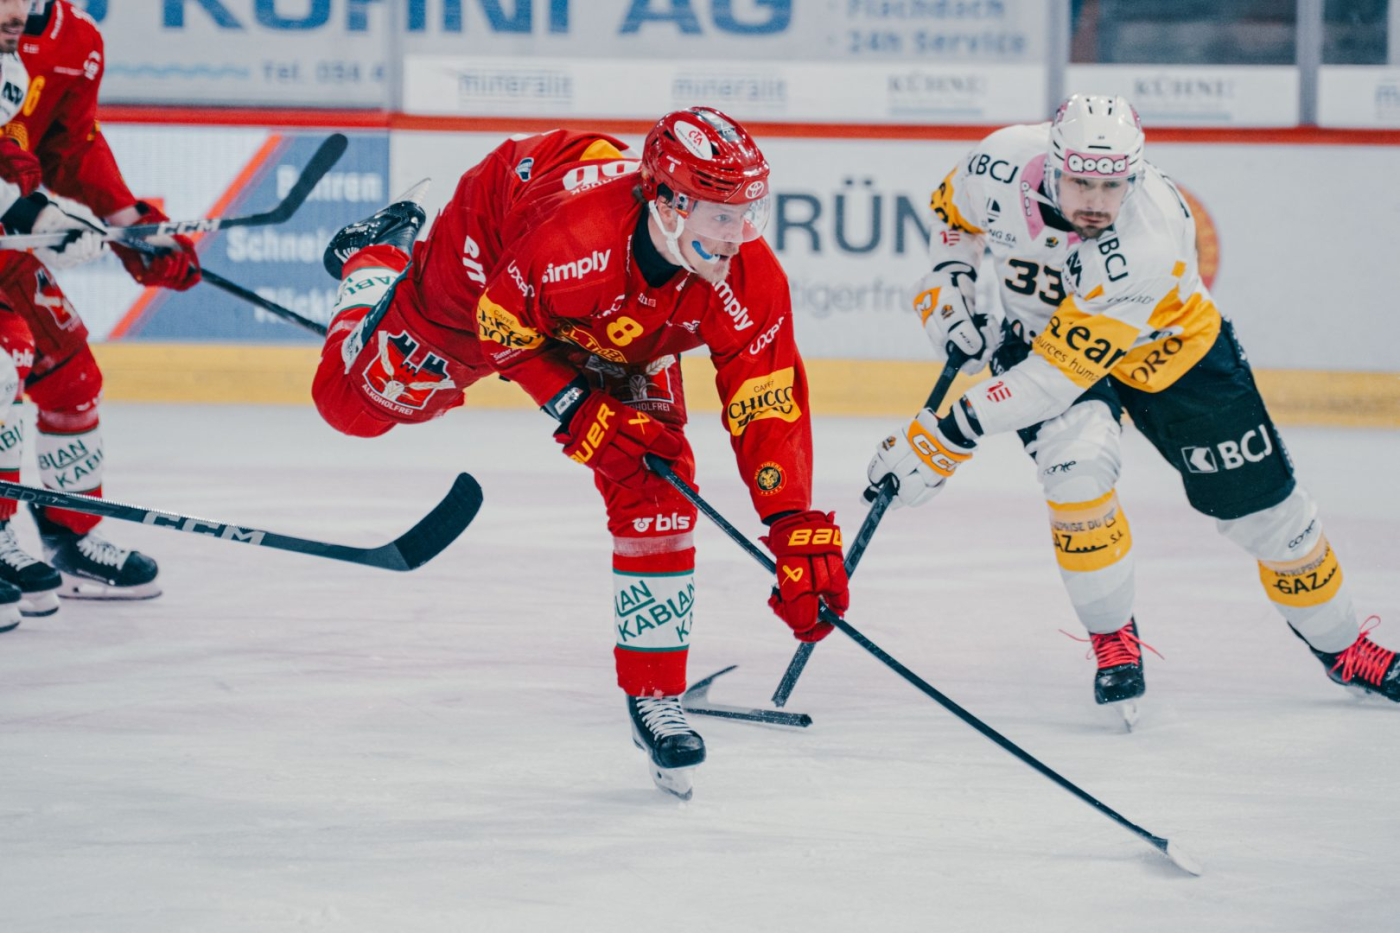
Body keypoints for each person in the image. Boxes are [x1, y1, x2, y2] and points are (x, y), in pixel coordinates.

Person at [312, 108, 851, 797]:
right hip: (495, 239)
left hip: (615, 316)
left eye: (748, 212)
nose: (738, 233)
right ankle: (377, 255)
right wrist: (576, 406)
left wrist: (791, 522)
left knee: (655, 476)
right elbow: (501, 322)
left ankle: (655, 695)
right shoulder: (576, 241)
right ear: (667, 202)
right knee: (357, 405)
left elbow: (767, 401)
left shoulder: (745, 274)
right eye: (722, 214)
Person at [867, 94, 1398, 713]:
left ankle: (1344, 647)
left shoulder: (1147, 239)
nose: (1096, 201)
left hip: (1171, 354)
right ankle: (1112, 637)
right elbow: (952, 218)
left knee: (1271, 517)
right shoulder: (998, 162)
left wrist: (946, 434)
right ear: (1053, 165)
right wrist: (950, 279)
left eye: (1112, 185)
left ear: (1135, 176)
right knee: (1076, 474)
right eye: (1081, 182)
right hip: (1042, 338)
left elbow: (1053, 380)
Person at [0, 0, 199, 616]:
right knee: (4, 366)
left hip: (6, 242)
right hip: (11, 224)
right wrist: (31, 213)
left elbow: (68, 147)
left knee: (72, 378)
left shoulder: (70, 43)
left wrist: (128, 221)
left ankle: (70, 535)